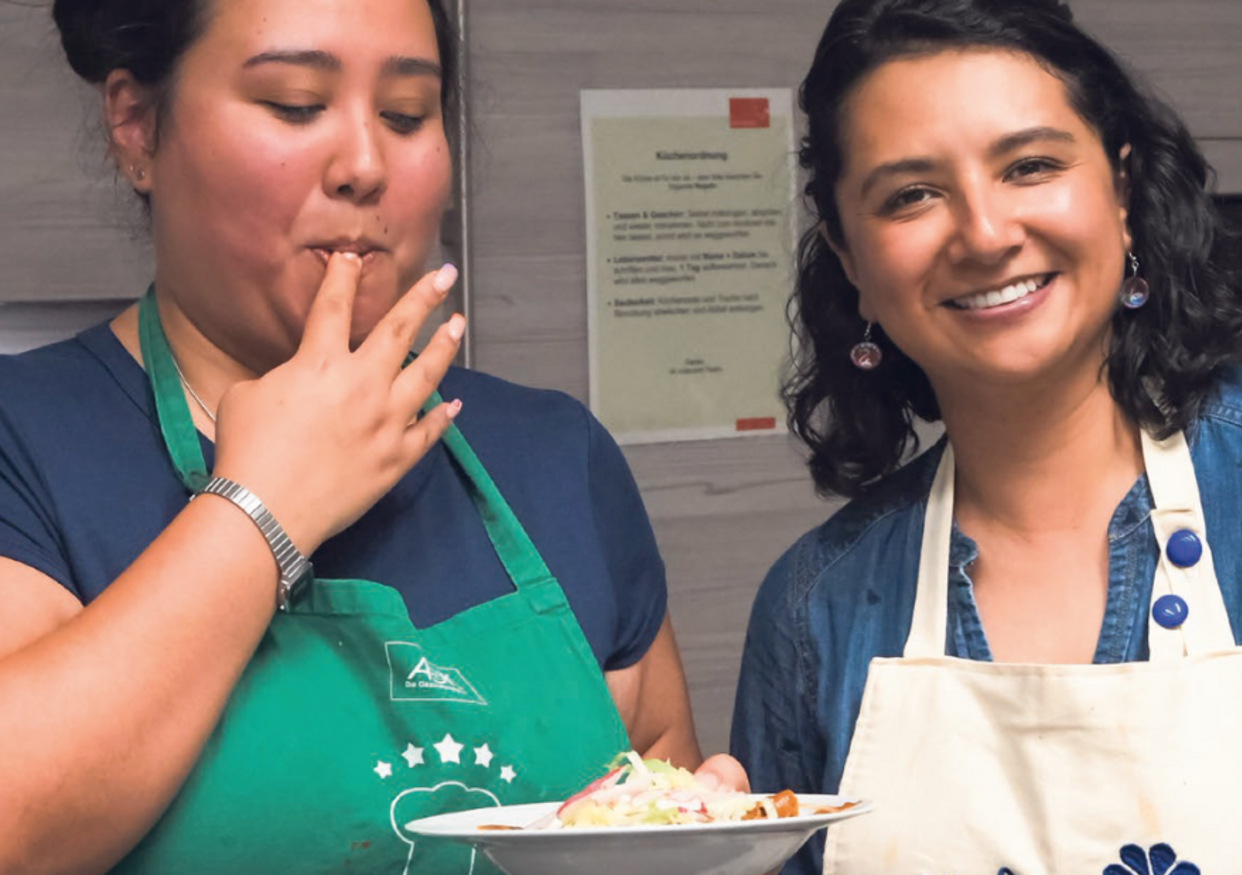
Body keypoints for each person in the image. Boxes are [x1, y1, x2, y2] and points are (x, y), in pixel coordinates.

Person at [0, 0, 742, 872]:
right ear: (136, 125)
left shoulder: (555, 457)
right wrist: (262, 506)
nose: (364, 165)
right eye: (295, 104)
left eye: (405, 116)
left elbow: (657, 799)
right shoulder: (27, 440)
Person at [731, 0, 1242, 872]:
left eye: (1030, 165)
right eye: (912, 195)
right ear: (851, 258)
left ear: (1121, 192)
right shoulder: (813, 607)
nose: (984, 233)